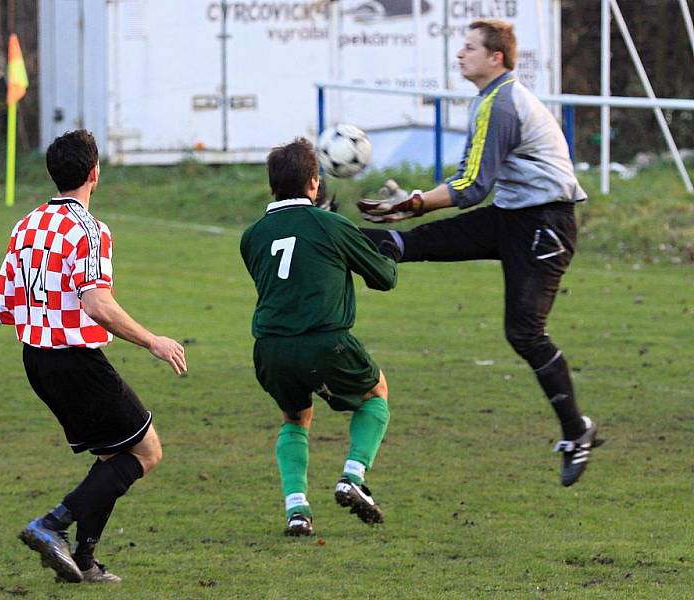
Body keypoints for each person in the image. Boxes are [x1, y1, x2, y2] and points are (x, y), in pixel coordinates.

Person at [357, 19, 601, 487]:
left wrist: (412, 204)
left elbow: (471, 188)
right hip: (513, 216)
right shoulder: (489, 100)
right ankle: (326, 234)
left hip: (545, 225)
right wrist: (408, 210)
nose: (459, 55)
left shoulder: (503, 103)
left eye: (469, 48)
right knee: (407, 245)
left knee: (525, 332)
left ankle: (577, 432)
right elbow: (474, 179)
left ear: (497, 58)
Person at [0, 130, 187, 583]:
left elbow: (5, 300)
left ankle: (83, 559)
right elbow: (97, 303)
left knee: (110, 457)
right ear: (94, 174)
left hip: (36, 360)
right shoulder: (91, 230)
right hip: (76, 360)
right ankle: (52, 524)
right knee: (147, 451)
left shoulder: (26, 225)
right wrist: (152, 340)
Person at [240, 138, 399, 536]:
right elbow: (385, 278)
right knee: (375, 393)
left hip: (270, 347)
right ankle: (353, 475)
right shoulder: (331, 225)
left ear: (272, 185)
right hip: (324, 341)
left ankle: (297, 509)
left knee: (295, 417)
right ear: (314, 182)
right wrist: (381, 248)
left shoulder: (253, 236)